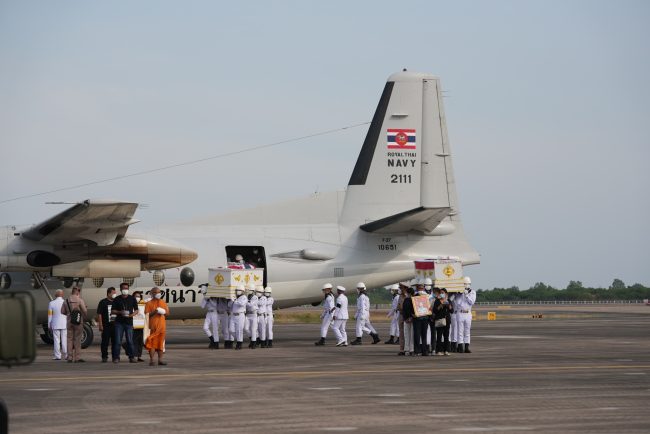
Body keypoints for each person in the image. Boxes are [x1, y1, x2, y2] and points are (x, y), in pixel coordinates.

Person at [111, 282, 140, 363]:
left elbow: (137, 310)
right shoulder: (117, 299)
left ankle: (131, 357)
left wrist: (131, 315)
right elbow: (112, 311)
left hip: (129, 323)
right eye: (123, 288)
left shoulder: (132, 298)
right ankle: (116, 358)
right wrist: (120, 312)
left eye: (126, 288)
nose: (125, 290)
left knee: (130, 341)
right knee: (117, 341)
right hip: (119, 323)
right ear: (120, 289)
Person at [60, 287, 87, 363]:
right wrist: (83, 313)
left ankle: (69, 357)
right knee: (77, 339)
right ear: (77, 292)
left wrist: (69, 314)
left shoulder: (66, 301)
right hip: (78, 322)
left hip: (69, 321)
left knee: (69, 339)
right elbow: (85, 311)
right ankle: (77, 357)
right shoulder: (79, 300)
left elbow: (62, 311)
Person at [144, 287, 170, 366]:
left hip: (161, 327)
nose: (158, 294)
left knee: (160, 344)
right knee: (152, 344)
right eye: (156, 292)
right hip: (153, 327)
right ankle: (152, 360)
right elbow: (147, 315)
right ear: (152, 293)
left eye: (159, 292)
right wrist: (155, 312)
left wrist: (163, 312)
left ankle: (160, 360)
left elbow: (167, 314)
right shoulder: (149, 303)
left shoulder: (163, 302)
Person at [456, 276, 476, 353]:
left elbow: (472, 302)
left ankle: (466, 347)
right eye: (465, 284)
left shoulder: (473, 292)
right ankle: (460, 347)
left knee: (467, 331)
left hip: (468, 313)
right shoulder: (459, 293)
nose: (466, 285)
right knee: (460, 331)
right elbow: (458, 303)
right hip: (460, 313)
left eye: (467, 284)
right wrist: (461, 294)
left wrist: (467, 295)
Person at [96, 287, 117, 362]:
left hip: (115, 325)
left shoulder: (116, 301)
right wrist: (100, 325)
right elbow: (99, 314)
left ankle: (115, 357)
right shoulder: (103, 302)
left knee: (115, 342)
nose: (115, 294)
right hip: (106, 325)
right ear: (108, 293)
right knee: (105, 342)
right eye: (113, 293)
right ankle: (104, 356)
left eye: (115, 293)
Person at [412, 281, 431, 356]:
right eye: (420, 288)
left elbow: (430, 306)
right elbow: (411, 306)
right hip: (417, 318)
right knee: (417, 335)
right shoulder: (414, 296)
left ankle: (424, 351)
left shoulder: (428, 296)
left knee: (424, 335)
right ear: (417, 288)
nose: (421, 289)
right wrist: (412, 314)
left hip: (425, 318)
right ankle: (417, 351)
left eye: (422, 288)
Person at [47, 289, 67, 361]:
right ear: (62, 294)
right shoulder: (65, 302)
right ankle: (66, 355)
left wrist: (49, 324)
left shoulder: (51, 303)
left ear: (56, 295)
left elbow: (50, 315)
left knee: (56, 340)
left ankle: (57, 356)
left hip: (55, 324)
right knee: (64, 340)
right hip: (64, 324)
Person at [433, 288, 452, 355]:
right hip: (439, 320)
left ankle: (446, 350)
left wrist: (448, 306)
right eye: (440, 292)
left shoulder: (448, 300)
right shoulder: (437, 301)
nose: (441, 294)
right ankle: (438, 350)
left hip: (447, 320)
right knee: (439, 336)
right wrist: (441, 305)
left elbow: (451, 311)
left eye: (443, 292)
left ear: (446, 294)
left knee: (446, 336)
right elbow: (435, 310)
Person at [230, 285, 247, 350]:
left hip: (240, 315)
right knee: (231, 330)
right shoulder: (235, 298)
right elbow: (230, 305)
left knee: (239, 330)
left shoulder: (244, 297)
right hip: (233, 315)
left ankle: (239, 344)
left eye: (239, 290)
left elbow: (241, 304)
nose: (237, 291)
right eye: (236, 290)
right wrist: (231, 300)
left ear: (242, 291)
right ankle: (239, 340)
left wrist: (234, 300)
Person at [131, 291, 146, 362]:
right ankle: (133, 356)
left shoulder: (143, 304)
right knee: (134, 341)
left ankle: (139, 356)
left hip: (141, 325)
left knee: (140, 342)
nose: (137, 297)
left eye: (139, 296)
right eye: (136, 296)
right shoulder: (131, 304)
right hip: (133, 325)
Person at [401, 287, 415, 356]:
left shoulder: (406, 300)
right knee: (411, 335)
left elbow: (404, 310)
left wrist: (406, 318)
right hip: (412, 319)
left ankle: (407, 349)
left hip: (408, 319)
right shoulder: (414, 299)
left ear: (408, 293)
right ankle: (411, 349)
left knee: (407, 335)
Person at [244, 283, 259, 349]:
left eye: (248, 290)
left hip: (253, 315)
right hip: (248, 315)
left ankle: (253, 343)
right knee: (246, 328)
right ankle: (252, 339)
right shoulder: (247, 297)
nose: (247, 291)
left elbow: (250, 305)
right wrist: (247, 301)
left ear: (252, 290)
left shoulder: (255, 297)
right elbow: (248, 304)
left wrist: (246, 302)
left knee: (253, 329)